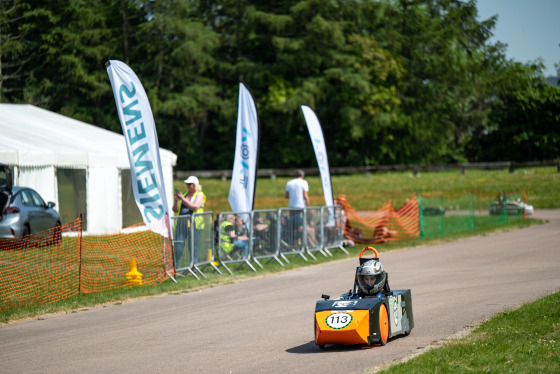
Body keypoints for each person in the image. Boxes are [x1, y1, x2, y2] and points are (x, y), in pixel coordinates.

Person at [172, 176, 206, 269]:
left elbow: (195, 206)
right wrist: (177, 200)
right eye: (187, 184)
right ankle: (176, 268)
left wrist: (182, 199)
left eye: (190, 184)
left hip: (194, 224)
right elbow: (175, 209)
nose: (187, 185)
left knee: (192, 246)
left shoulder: (200, 194)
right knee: (178, 246)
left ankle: (194, 267)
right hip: (181, 224)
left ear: (195, 185)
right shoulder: (184, 194)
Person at [285, 169, 310, 245]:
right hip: (301, 206)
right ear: (302, 176)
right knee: (301, 225)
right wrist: (309, 207)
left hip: (292, 206)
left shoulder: (289, 182)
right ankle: (302, 241)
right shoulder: (303, 182)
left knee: (293, 225)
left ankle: (294, 241)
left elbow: (286, 195)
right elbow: (305, 195)